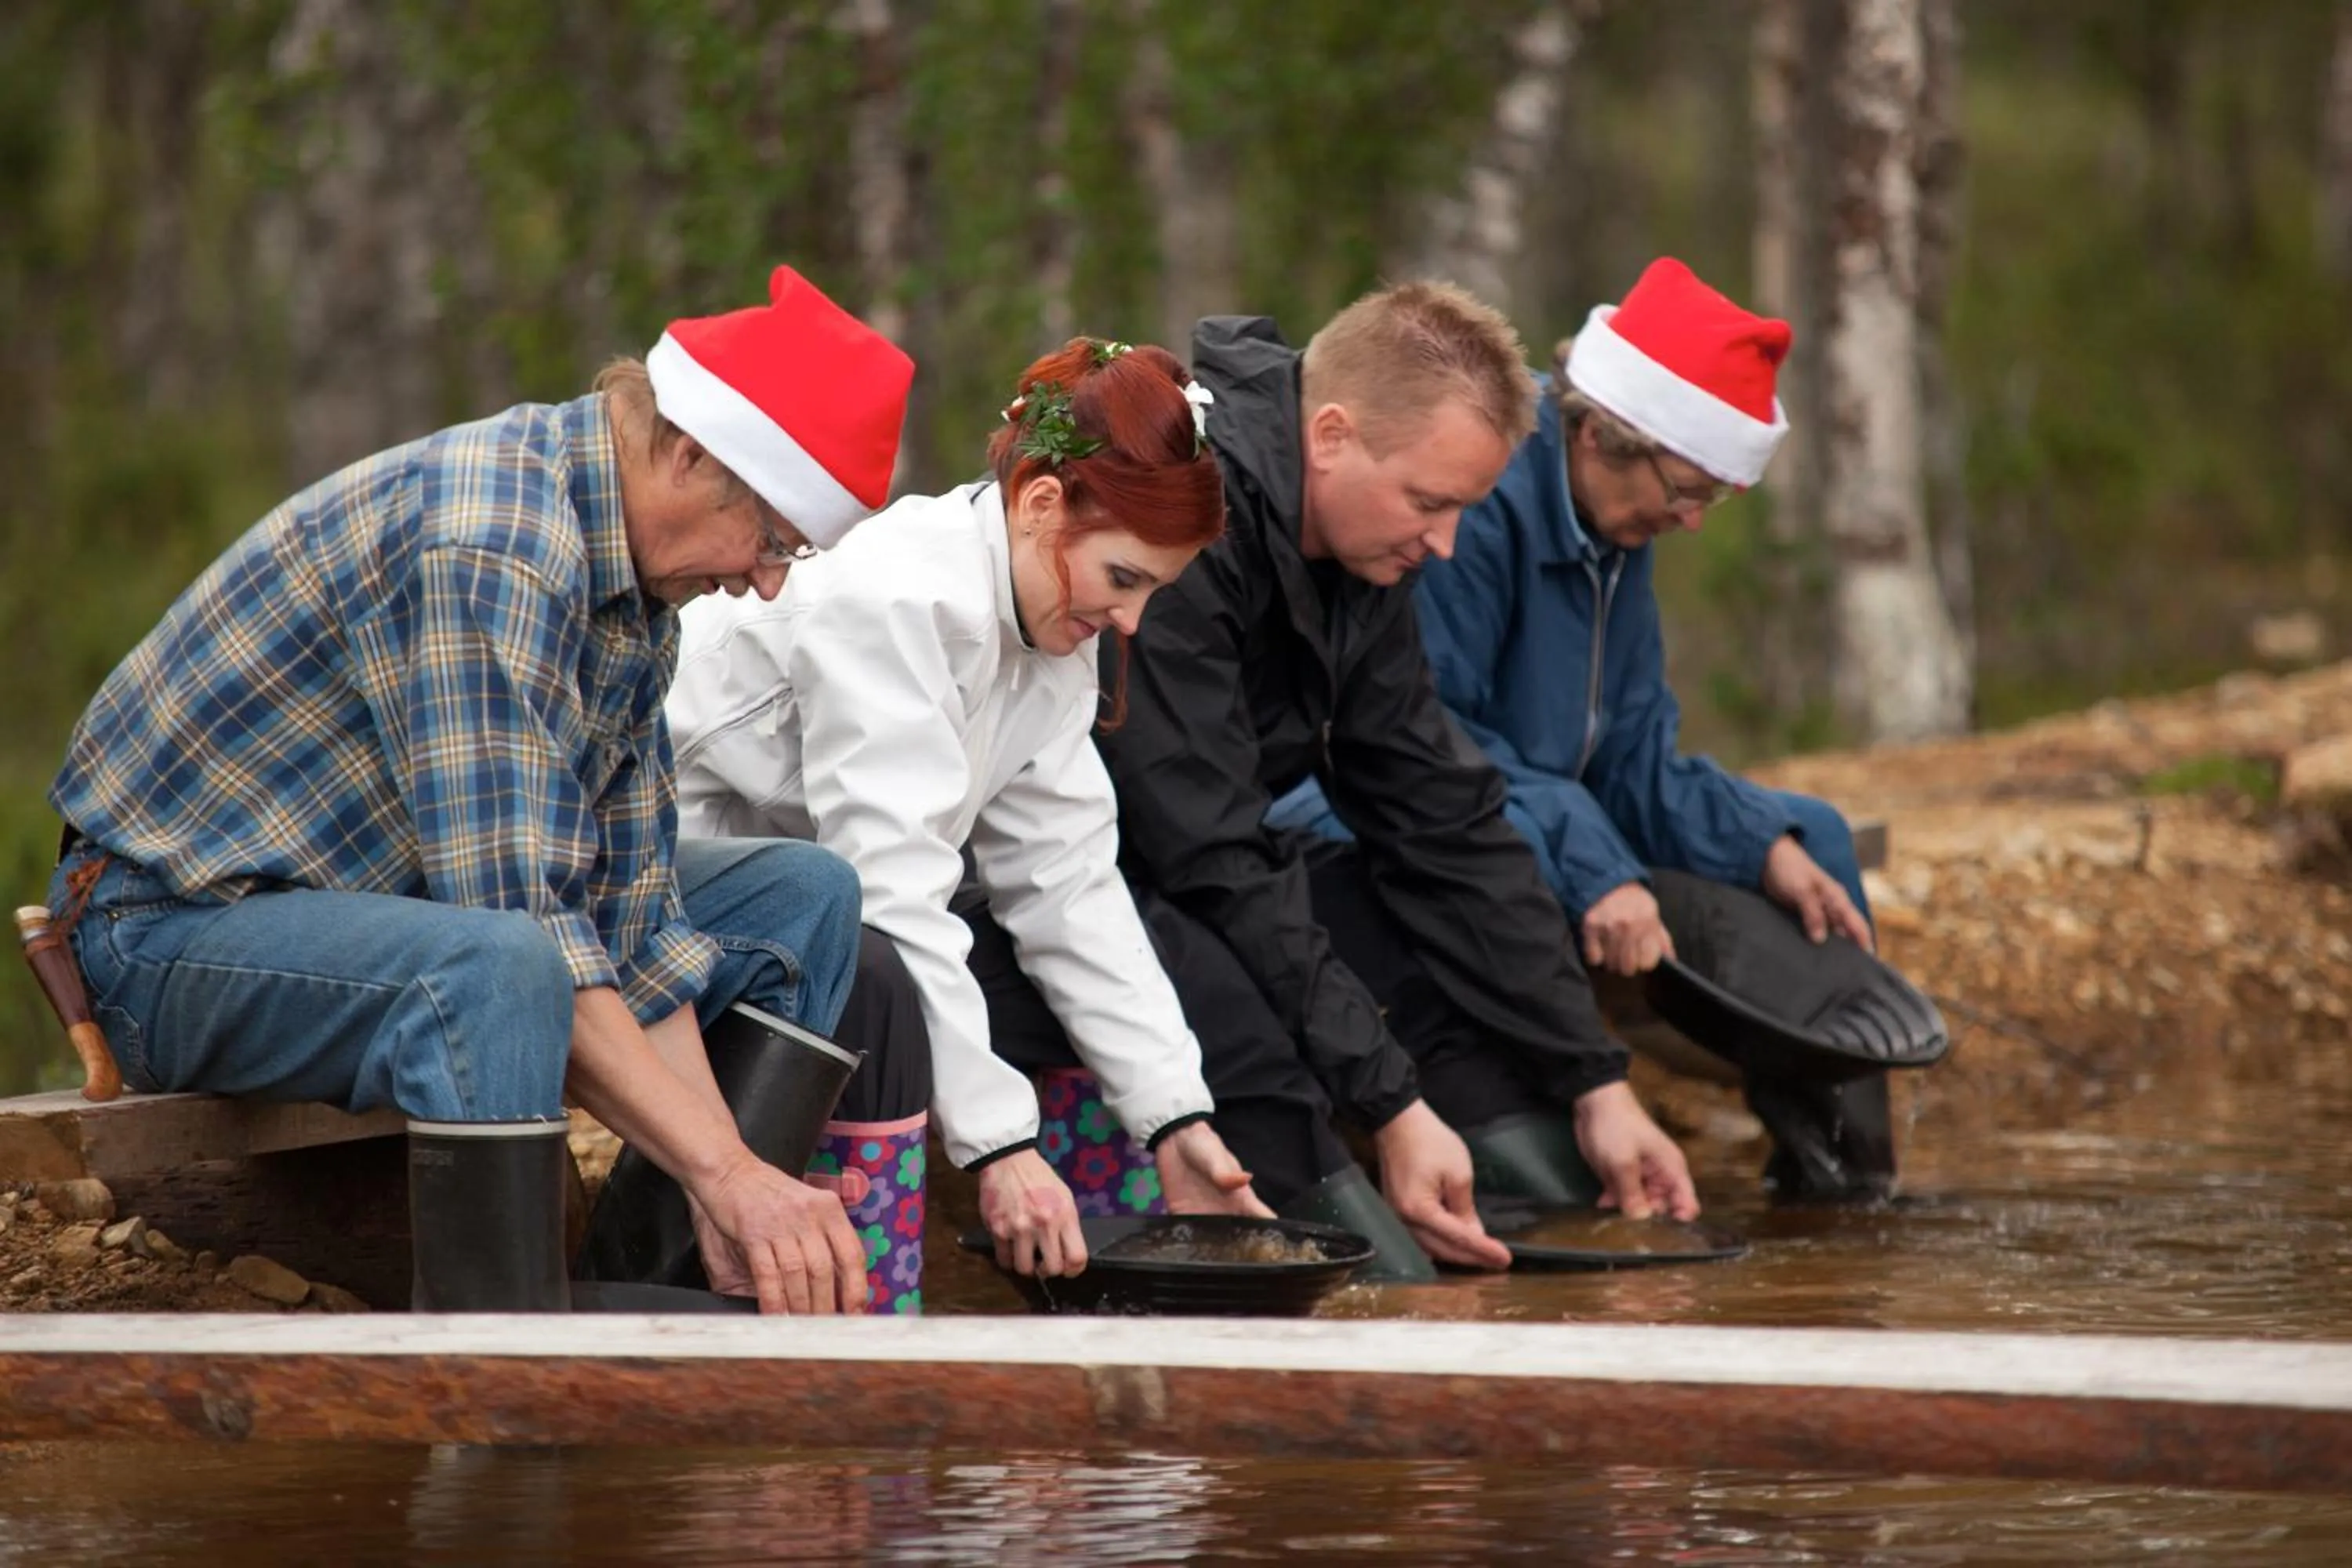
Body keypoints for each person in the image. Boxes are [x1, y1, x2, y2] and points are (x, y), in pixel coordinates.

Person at [42, 264, 916, 1313]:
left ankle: (664, 1316)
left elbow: (632, 920)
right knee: (501, 967)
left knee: (803, 896)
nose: (768, 581)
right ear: (689, 454)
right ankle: (503, 1392)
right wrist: (731, 1174)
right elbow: (524, 925)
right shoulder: (495, 547)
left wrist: (732, 1182)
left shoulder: (640, 592)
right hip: (171, 932)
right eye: (774, 539)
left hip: (382, 898)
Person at [1091, 281, 1699, 1282]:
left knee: (1401, 934)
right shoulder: (1185, 514)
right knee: (1268, 1052)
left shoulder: (1362, 556)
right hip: (1053, 890)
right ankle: (1364, 1268)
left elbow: (1440, 815)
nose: (1446, 543)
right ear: (1330, 434)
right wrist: (1390, 1106)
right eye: (1430, 503)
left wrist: (1596, 1079)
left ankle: (1526, 1168)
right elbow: (1211, 857)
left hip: (1191, 873)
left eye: (1463, 509)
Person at [1276, 256, 1902, 1199]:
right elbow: (1419, 745)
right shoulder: (1469, 507)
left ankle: (1835, 1179)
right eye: (1690, 488)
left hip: (1515, 808)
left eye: (1715, 498)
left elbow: (1635, 757)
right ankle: (1523, 1130)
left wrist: (1765, 844)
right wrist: (1595, 863)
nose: (1693, 520)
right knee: (1549, 864)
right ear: (1609, 436)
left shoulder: (1615, 532)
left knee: (1808, 834)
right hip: (1359, 817)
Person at [666, 337, 1268, 1310]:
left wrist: (1173, 1117)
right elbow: (889, 886)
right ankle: (857, 1325)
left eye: (1153, 590)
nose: (1132, 623)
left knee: (1042, 986)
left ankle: (1096, 1309)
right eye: (1125, 578)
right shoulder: (899, 598)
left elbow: (1070, 883)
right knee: (881, 983)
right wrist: (999, 1143)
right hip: (665, 889)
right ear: (1041, 507)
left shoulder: (1047, 633)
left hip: (803, 904)